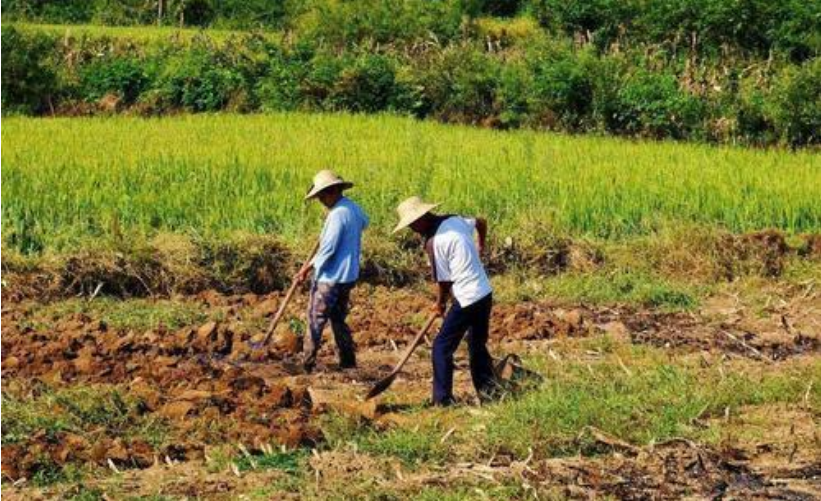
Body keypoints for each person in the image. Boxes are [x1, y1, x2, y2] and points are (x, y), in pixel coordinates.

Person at [393, 196, 496, 406]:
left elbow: (444, 281)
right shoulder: (455, 220)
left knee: (441, 347)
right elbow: (481, 221)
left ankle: (442, 401)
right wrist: (480, 246)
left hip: (467, 298)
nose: (413, 229)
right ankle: (489, 394)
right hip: (484, 292)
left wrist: (440, 304)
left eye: (413, 224)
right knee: (477, 345)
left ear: (422, 217)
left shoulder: (435, 242)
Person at [294, 170, 369, 373]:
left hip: (330, 277)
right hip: (349, 275)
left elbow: (327, 249)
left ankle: (306, 364)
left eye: (321, 196)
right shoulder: (352, 208)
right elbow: (365, 222)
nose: (320, 201)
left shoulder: (337, 215)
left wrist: (306, 269)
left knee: (315, 319)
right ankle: (348, 361)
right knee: (338, 319)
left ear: (331, 192)